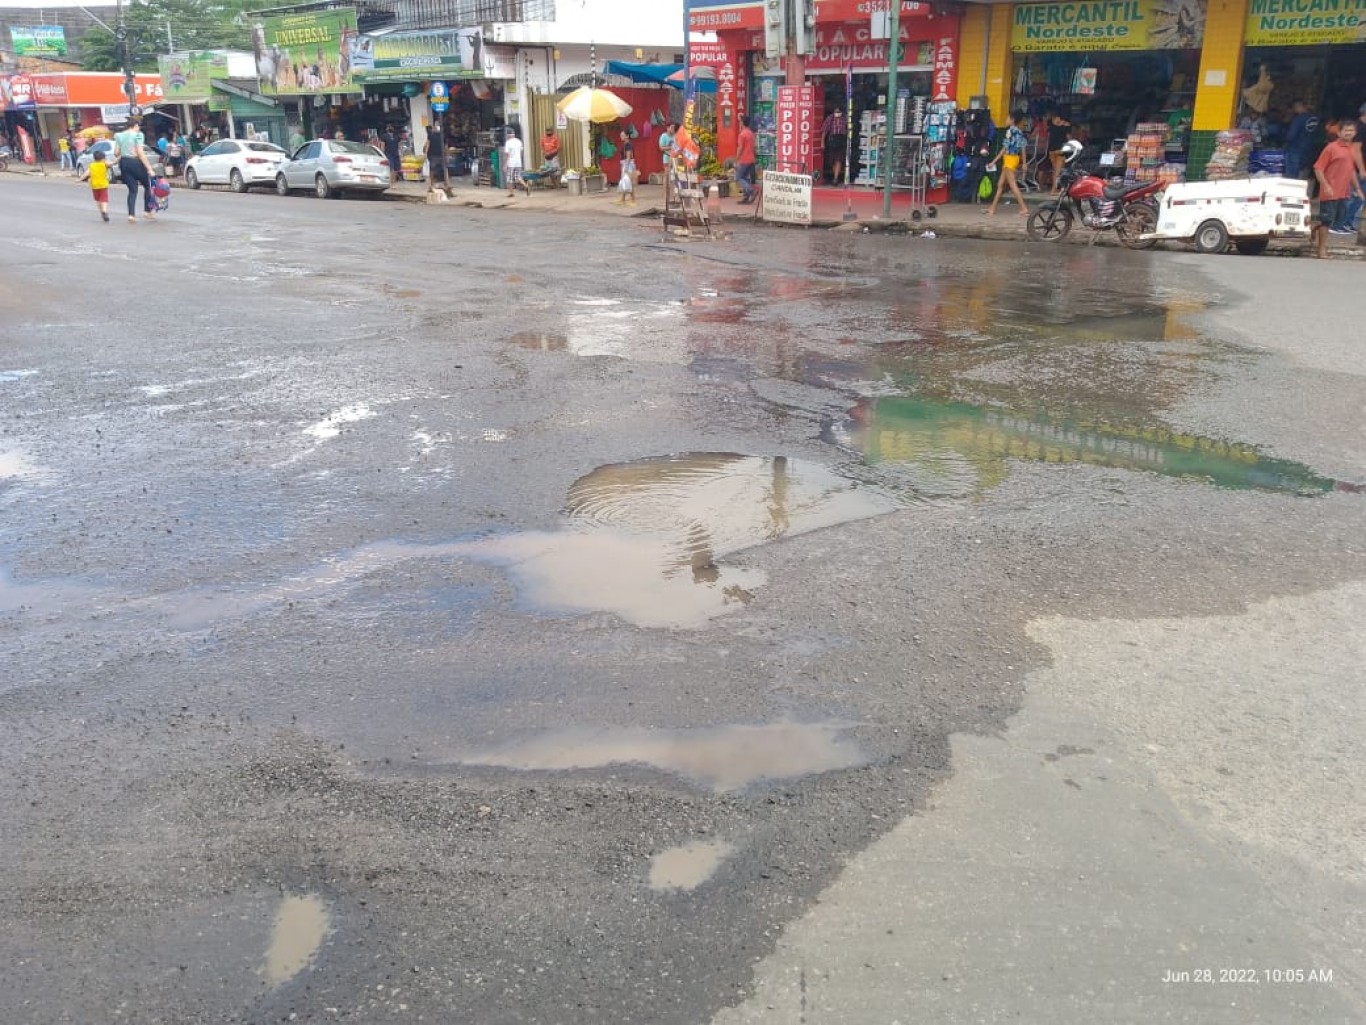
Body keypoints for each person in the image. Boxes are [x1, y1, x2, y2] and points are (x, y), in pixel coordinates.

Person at [1311, 120, 1363, 257]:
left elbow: (1351, 170)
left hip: (1344, 192)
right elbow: (1318, 168)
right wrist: (1326, 185)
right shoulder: (1331, 148)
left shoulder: (1352, 149)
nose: (1349, 133)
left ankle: (1315, 228)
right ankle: (1321, 250)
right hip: (1330, 191)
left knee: (1338, 220)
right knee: (1327, 221)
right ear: (1339, 133)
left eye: (1351, 131)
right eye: (1346, 130)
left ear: (1355, 133)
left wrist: (1357, 189)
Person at [1329, 103, 1366, 236]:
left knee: (1359, 198)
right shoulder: (1358, 128)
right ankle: (1338, 224)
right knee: (1350, 197)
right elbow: (1356, 151)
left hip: (1358, 168)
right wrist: (1362, 169)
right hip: (1354, 169)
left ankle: (1347, 223)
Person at [986, 111, 1030, 217]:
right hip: (1014, 159)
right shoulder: (1019, 132)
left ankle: (1024, 208)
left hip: (1009, 159)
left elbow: (1004, 149)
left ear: (1012, 120)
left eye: (1007, 118)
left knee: (1013, 185)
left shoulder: (1010, 131)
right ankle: (993, 208)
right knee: (1000, 184)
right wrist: (1024, 163)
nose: (1006, 120)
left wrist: (994, 161)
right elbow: (1023, 148)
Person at [113, 117, 157, 223]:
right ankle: (147, 211)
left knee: (132, 190)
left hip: (124, 163)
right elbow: (140, 153)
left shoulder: (118, 135)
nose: (139, 129)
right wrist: (149, 169)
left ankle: (131, 215)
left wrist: (125, 150)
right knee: (147, 185)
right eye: (138, 127)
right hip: (135, 162)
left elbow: (116, 152)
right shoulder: (138, 135)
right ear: (136, 126)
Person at [1282, 100, 1319, 181]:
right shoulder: (1314, 118)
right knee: (1303, 174)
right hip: (1308, 150)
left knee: (1291, 176)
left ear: (1296, 107)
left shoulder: (1299, 119)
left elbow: (1290, 136)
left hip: (1295, 149)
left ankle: (1290, 192)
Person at [1046, 112, 1071, 194]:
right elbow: (1069, 138)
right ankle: (1053, 190)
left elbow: (1049, 138)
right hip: (1060, 151)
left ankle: (1056, 189)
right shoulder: (1065, 127)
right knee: (1058, 172)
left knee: (1055, 171)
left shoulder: (1051, 127)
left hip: (1051, 151)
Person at [822, 106, 848, 183]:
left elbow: (848, 129)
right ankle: (835, 176)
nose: (838, 113)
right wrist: (822, 142)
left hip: (841, 140)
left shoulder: (845, 119)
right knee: (832, 161)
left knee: (839, 160)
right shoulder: (830, 118)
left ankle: (835, 178)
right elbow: (824, 131)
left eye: (839, 112)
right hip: (832, 140)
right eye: (836, 112)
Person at [735, 115, 757, 204]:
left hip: (744, 159)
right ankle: (746, 197)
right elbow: (754, 147)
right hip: (751, 159)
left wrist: (736, 159)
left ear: (742, 123)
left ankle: (751, 190)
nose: (739, 123)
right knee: (745, 178)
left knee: (738, 178)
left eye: (740, 121)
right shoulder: (751, 133)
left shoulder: (742, 134)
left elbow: (740, 148)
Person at [87, 149, 111, 222]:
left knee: (98, 200)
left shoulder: (91, 165)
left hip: (94, 186)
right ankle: (104, 211)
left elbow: (87, 173)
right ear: (103, 158)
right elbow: (112, 163)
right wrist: (119, 158)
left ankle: (101, 212)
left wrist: (79, 179)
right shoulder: (104, 164)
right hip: (103, 185)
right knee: (104, 200)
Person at [425, 122, 448, 192]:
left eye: (438, 126)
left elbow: (445, 146)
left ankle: (444, 184)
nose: (437, 127)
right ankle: (433, 184)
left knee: (437, 170)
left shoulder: (441, 135)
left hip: (437, 155)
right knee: (435, 170)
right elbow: (428, 145)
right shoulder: (432, 135)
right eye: (436, 126)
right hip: (435, 155)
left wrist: (446, 154)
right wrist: (426, 153)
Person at [615, 130, 636, 206]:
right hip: (626, 164)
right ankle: (623, 199)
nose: (621, 137)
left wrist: (626, 167)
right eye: (621, 135)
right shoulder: (625, 144)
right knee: (625, 182)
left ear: (627, 136)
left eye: (623, 135)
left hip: (628, 164)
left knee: (629, 182)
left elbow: (628, 156)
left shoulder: (628, 145)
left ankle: (633, 199)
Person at [503, 126, 524, 196]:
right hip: (518, 162)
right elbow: (521, 152)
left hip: (511, 163)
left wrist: (505, 164)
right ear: (514, 134)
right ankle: (526, 186)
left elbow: (507, 154)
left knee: (509, 178)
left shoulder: (508, 143)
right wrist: (519, 160)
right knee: (518, 177)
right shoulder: (519, 141)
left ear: (508, 135)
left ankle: (511, 193)